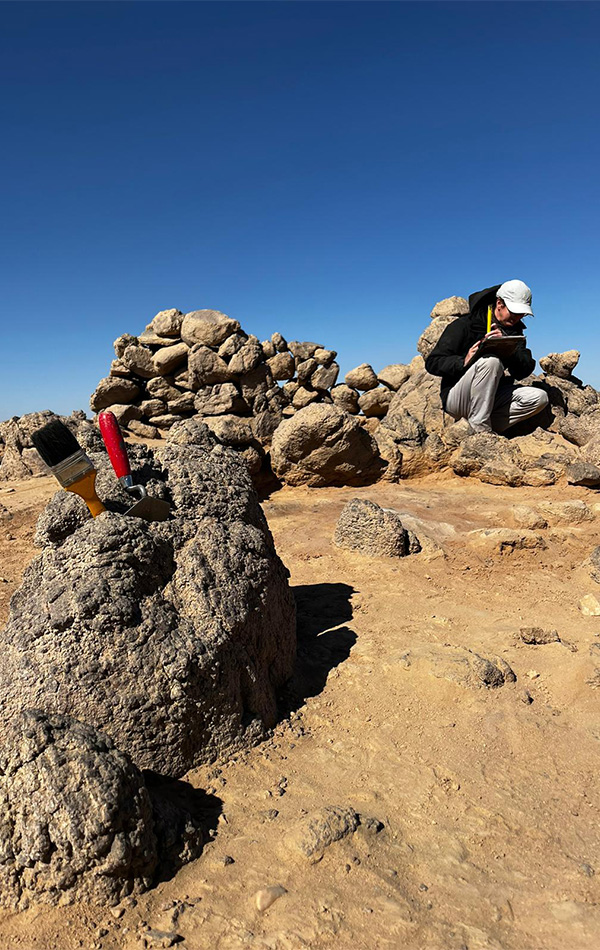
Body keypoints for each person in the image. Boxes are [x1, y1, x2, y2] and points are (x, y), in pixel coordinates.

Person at [425, 280, 549, 434]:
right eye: (514, 312)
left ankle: (474, 428)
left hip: (491, 397)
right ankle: (481, 431)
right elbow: (432, 362)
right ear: (499, 304)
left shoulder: (514, 332)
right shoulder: (465, 324)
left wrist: (508, 346)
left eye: (522, 314)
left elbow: (523, 370)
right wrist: (464, 361)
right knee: (491, 362)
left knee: (539, 398)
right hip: (457, 398)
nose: (518, 317)